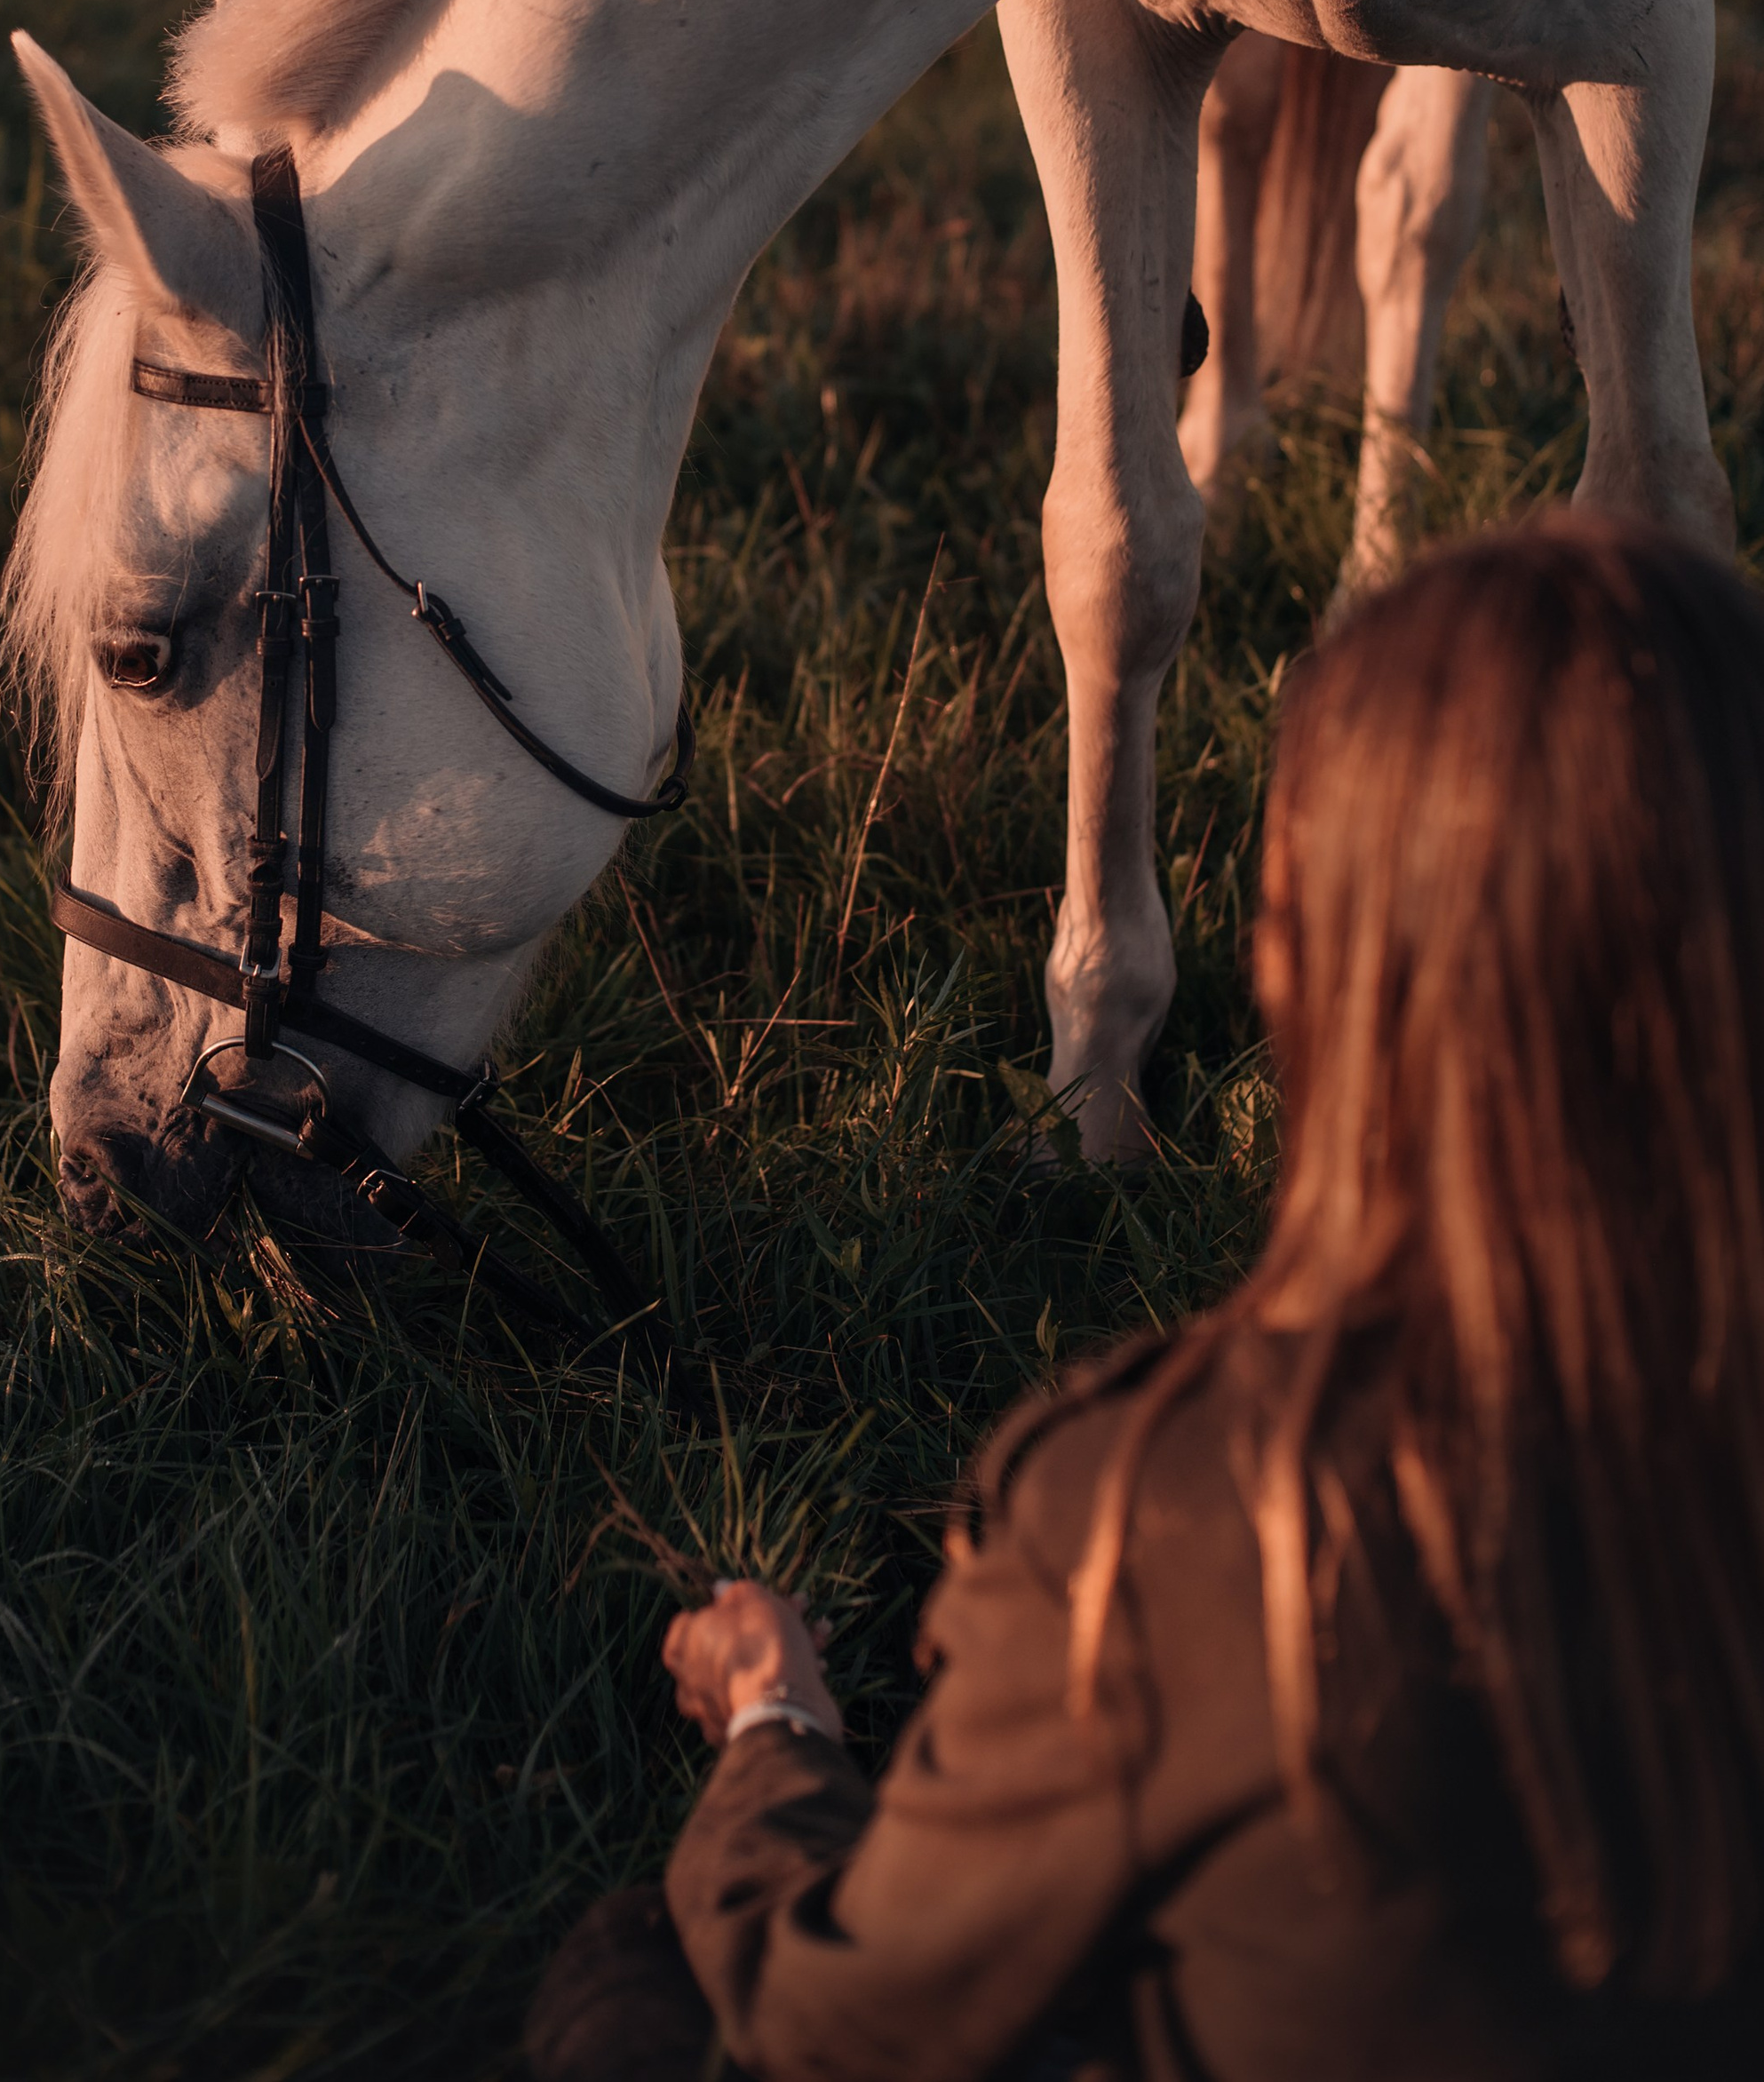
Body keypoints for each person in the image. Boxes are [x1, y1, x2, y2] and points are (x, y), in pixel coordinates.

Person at [526, 520, 1764, 2080]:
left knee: (650, 1978)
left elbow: (840, 2015)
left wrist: (777, 1730)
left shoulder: (1172, 1527)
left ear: (1314, 971)